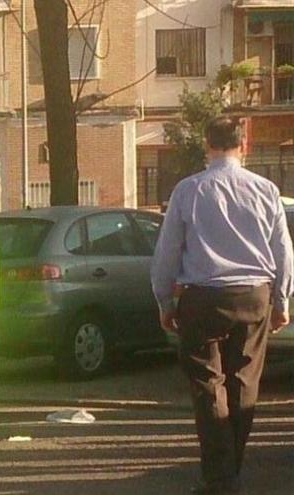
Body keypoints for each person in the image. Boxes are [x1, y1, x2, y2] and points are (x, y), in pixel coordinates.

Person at [151, 117, 294, 495]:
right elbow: (283, 250)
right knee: (244, 381)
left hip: (202, 296)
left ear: (206, 144)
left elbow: (167, 250)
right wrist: (282, 299)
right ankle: (230, 467)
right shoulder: (266, 190)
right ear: (243, 144)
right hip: (253, 294)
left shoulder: (188, 190)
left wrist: (165, 299)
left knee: (207, 385)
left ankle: (220, 476)